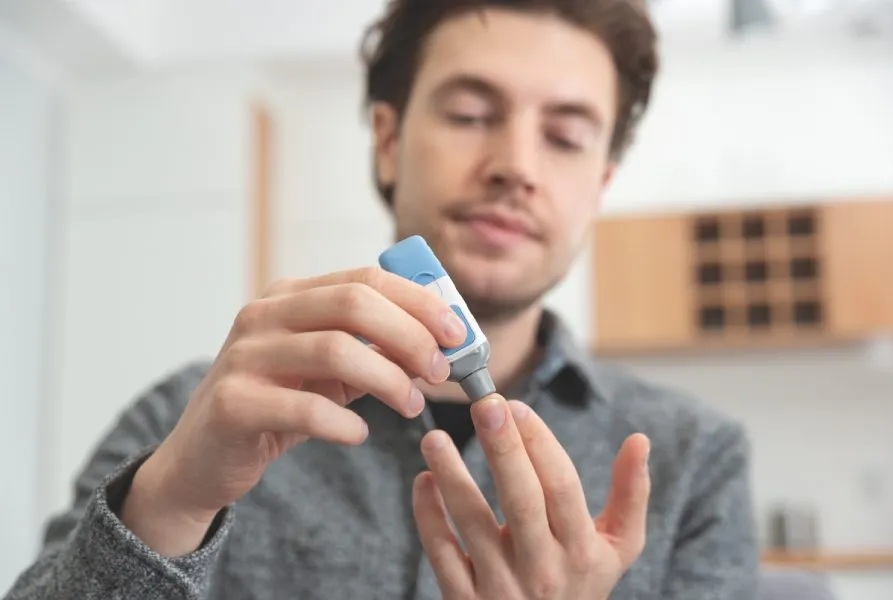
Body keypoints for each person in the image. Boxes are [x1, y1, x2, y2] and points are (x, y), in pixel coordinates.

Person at [5, 1, 760, 599]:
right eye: (470, 116)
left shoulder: (695, 460)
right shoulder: (189, 422)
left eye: (564, 137)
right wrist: (168, 507)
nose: (516, 166)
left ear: (599, 185)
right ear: (388, 141)